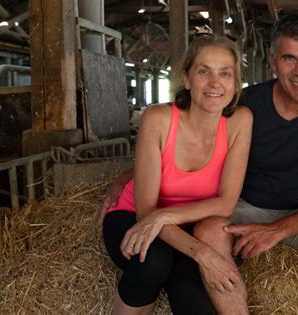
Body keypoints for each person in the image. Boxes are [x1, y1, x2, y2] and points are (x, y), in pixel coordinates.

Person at [102, 11, 298, 315]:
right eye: (289, 59)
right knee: (202, 234)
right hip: (242, 208)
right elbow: (183, 143)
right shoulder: (243, 103)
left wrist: (278, 230)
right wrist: (131, 173)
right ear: (272, 62)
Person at [101, 34, 252, 315]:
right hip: (134, 216)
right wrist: (203, 253)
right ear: (186, 79)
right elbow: (146, 210)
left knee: (192, 296)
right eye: (203, 71)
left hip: (186, 225)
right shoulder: (158, 119)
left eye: (225, 74)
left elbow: (226, 203)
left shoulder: (240, 121)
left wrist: (166, 215)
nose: (215, 83)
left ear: (235, 83)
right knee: (154, 260)